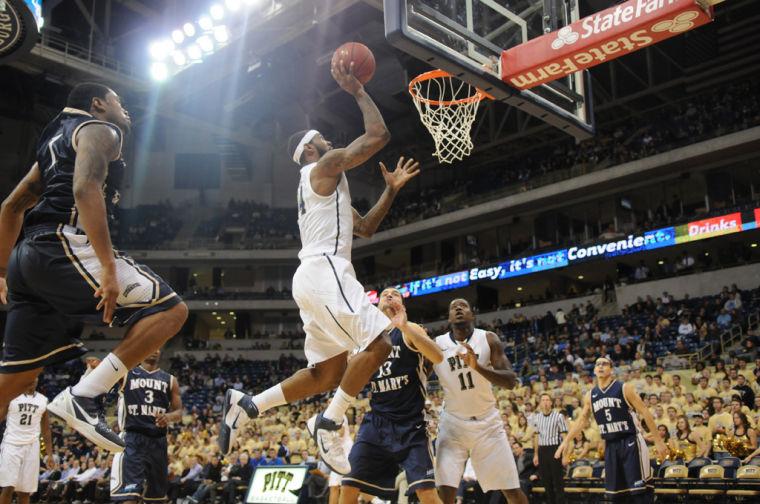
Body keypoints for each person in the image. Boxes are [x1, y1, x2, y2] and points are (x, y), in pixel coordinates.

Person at [218, 58, 420, 475]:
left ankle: (250, 404)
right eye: (324, 139)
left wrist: (390, 191)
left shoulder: (327, 186)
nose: (331, 141)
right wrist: (358, 90)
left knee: (328, 372)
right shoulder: (321, 168)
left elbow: (363, 229)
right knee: (381, 341)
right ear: (310, 149)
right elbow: (378, 135)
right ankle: (329, 422)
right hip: (325, 270)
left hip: (317, 274)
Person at [0, 83, 188, 452]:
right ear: (97, 104)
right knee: (170, 311)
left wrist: (1, 272)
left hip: (27, 258)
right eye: (120, 102)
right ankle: (84, 395)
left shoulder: (51, 142)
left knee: (11, 382)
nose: (126, 110)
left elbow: (11, 206)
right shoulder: (100, 129)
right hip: (64, 243)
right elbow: (85, 188)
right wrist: (107, 266)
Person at [340, 288, 443, 504]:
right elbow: (352, 379)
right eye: (385, 294)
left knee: (427, 494)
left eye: (395, 294)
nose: (389, 295)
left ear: (402, 305)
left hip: (411, 424)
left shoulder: (409, 329)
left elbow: (438, 356)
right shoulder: (368, 339)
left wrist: (404, 325)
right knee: (349, 484)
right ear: (377, 306)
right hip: (376, 424)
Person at [433, 298, 528, 504]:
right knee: (445, 491)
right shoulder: (437, 344)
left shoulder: (488, 339)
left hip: (488, 424)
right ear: (448, 318)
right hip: (452, 424)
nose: (458, 308)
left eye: (463, 306)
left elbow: (511, 381)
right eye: (453, 307)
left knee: (511, 490)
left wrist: (477, 367)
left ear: (472, 315)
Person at [556, 357, 667, 503]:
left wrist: (658, 441)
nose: (600, 366)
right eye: (598, 364)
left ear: (611, 370)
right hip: (610, 445)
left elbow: (645, 412)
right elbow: (582, 420)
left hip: (631, 442)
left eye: (605, 364)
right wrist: (566, 441)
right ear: (594, 370)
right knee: (616, 495)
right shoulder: (590, 395)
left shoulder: (624, 388)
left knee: (639, 492)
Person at [110, 349, 183, 503]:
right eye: (152, 346)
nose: (155, 350)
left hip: (158, 441)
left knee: (156, 497)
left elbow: (179, 412)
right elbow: (101, 379)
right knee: (129, 496)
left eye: (158, 347)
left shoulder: (170, 380)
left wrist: (169, 416)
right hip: (133, 439)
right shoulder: (126, 374)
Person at [0, 379, 54, 504]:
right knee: (8, 487)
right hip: (11, 444)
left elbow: (46, 430)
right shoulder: (12, 397)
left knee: (25, 491)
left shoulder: (43, 400)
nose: (32, 380)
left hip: (32, 446)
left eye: (35, 378)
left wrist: (49, 454)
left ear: (37, 380)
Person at [530, 393, 567, 504]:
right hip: (542, 450)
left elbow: (565, 437)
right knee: (546, 481)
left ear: (551, 402)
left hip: (555, 449)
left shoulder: (558, 416)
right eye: (543, 400)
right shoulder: (536, 418)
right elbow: (536, 436)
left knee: (558, 481)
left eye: (547, 400)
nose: (545, 402)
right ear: (540, 403)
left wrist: (565, 455)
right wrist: (536, 454)